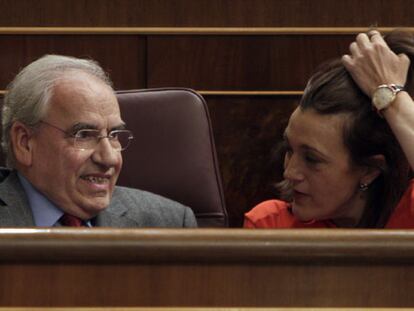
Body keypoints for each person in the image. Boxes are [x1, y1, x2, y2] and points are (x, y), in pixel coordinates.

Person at [0, 54, 197, 227]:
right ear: (24, 142)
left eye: (113, 135)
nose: (109, 158)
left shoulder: (169, 222)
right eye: (84, 135)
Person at [244, 30, 414, 228]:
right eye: (289, 150)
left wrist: (390, 96)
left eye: (312, 159)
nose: (289, 172)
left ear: (369, 170)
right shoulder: (271, 224)